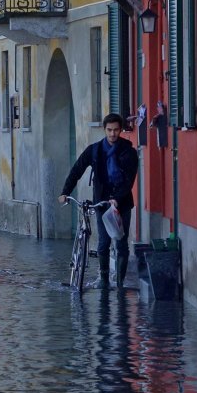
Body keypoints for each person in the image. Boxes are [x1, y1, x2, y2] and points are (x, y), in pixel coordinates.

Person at [58, 113, 138, 289]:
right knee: (103, 242)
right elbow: (77, 170)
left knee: (121, 242)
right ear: (104, 130)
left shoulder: (129, 152)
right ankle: (103, 280)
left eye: (116, 130)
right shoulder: (94, 150)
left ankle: (120, 283)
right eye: (109, 130)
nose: (112, 134)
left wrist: (116, 199)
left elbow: (129, 180)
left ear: (121, 130)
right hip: (101, 202)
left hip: (122, 203)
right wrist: (65, 192)